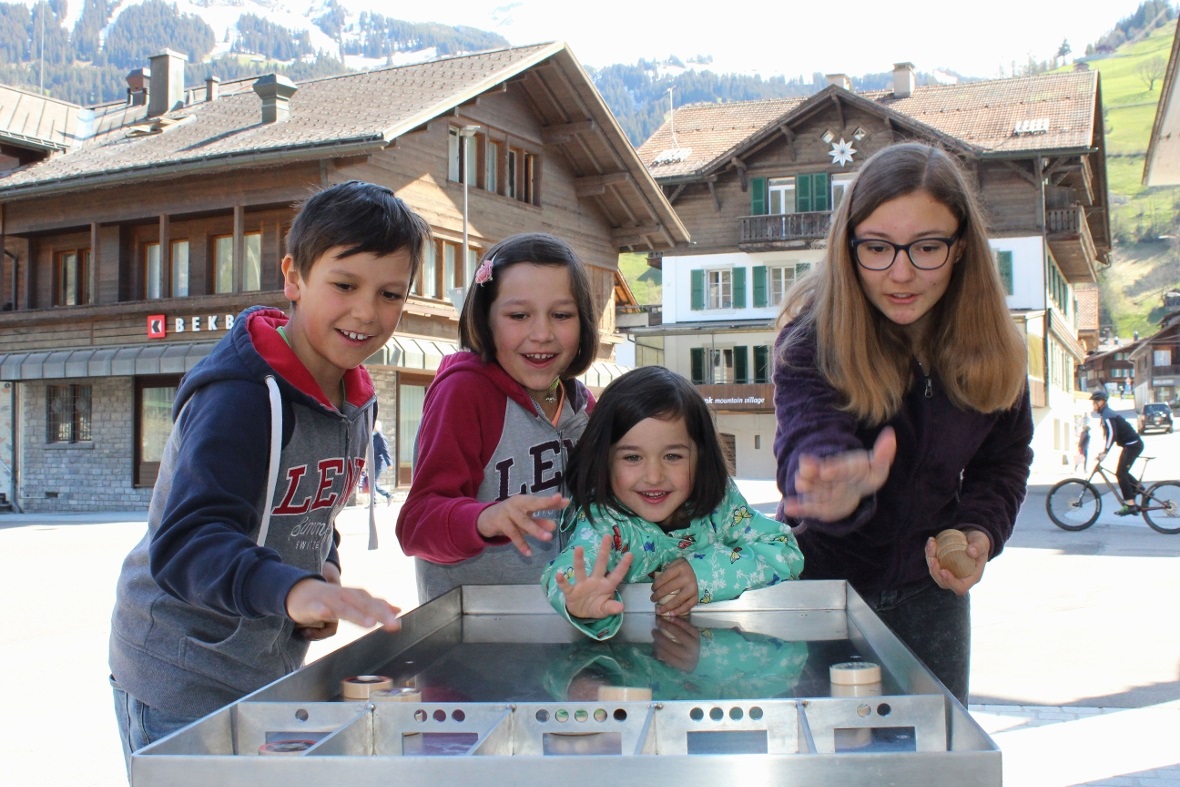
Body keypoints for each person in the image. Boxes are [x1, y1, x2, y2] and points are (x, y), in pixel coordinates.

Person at [108, 180, 431, 770]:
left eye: (390, 294)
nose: (367, 312)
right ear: (293, 276)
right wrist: (293, 590)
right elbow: (189, 542)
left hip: (268, 666)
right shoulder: (239, 397)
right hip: (180, 674)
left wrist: (324, 570)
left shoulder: (356, 398)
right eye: (345, 285)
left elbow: (314, 511)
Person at [773, 142, 1034, 705]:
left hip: (932, 598)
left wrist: (980, 530)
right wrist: (833, 482)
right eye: (877, 247)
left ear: (960, 248)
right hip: (819, 596)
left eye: (927, 247)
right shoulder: (809, 342)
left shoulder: (997, 349)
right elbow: (809, 432)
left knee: (935, 750)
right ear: (848, 247)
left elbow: (1004, 462)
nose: (901, 273)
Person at [396, 232, 599, 603]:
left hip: (572, 623)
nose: (542, 334)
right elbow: (416, 526)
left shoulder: (584, 407)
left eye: (561, 315)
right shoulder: (464, 393)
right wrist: (481, 519)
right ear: (485, 320)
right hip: (476, 626)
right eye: (518, 315)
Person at [540, 366, 804, 640]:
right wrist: (583, 604)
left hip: (713, 656)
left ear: (701, 456)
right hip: (632, 659)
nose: (654, 477)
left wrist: (706, 574)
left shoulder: (721, 507)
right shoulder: (603, 521)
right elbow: (570, 570)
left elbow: (785, 551)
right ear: (604, 460)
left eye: (673, 457)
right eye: (632, 458)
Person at [1090, 389, 1142, 515]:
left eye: (1094, 402)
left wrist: (1106, 452)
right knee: (1121, 472)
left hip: (1133, 445)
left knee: (1121, 474)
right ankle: (1138, 488)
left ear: (1101, 402)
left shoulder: (1107, 414)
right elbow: (1111, 435)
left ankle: (1130, 505)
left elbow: (1112, 434)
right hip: (1130, 445)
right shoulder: (1106, 414)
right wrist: (1104, 451)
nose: (1093, 405)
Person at [369, 419, 394, 505]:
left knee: (372, 483)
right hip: (372, 463)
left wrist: (389, 463)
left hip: (378, 463)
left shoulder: (380, 438)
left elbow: (385, 451)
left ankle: (386, 496)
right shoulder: (373, 437)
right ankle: (376, 501)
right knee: (372, 483)